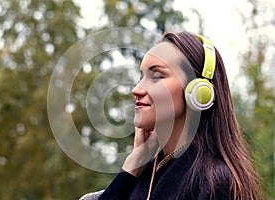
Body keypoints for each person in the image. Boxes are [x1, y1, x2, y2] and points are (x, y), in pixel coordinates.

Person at [81, 31, 263, 200]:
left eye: (157, 76)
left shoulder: (215, 183)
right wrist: (135, 161)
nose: (136, 89)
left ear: (199, 92)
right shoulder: (140, 175)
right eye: (141, 76)